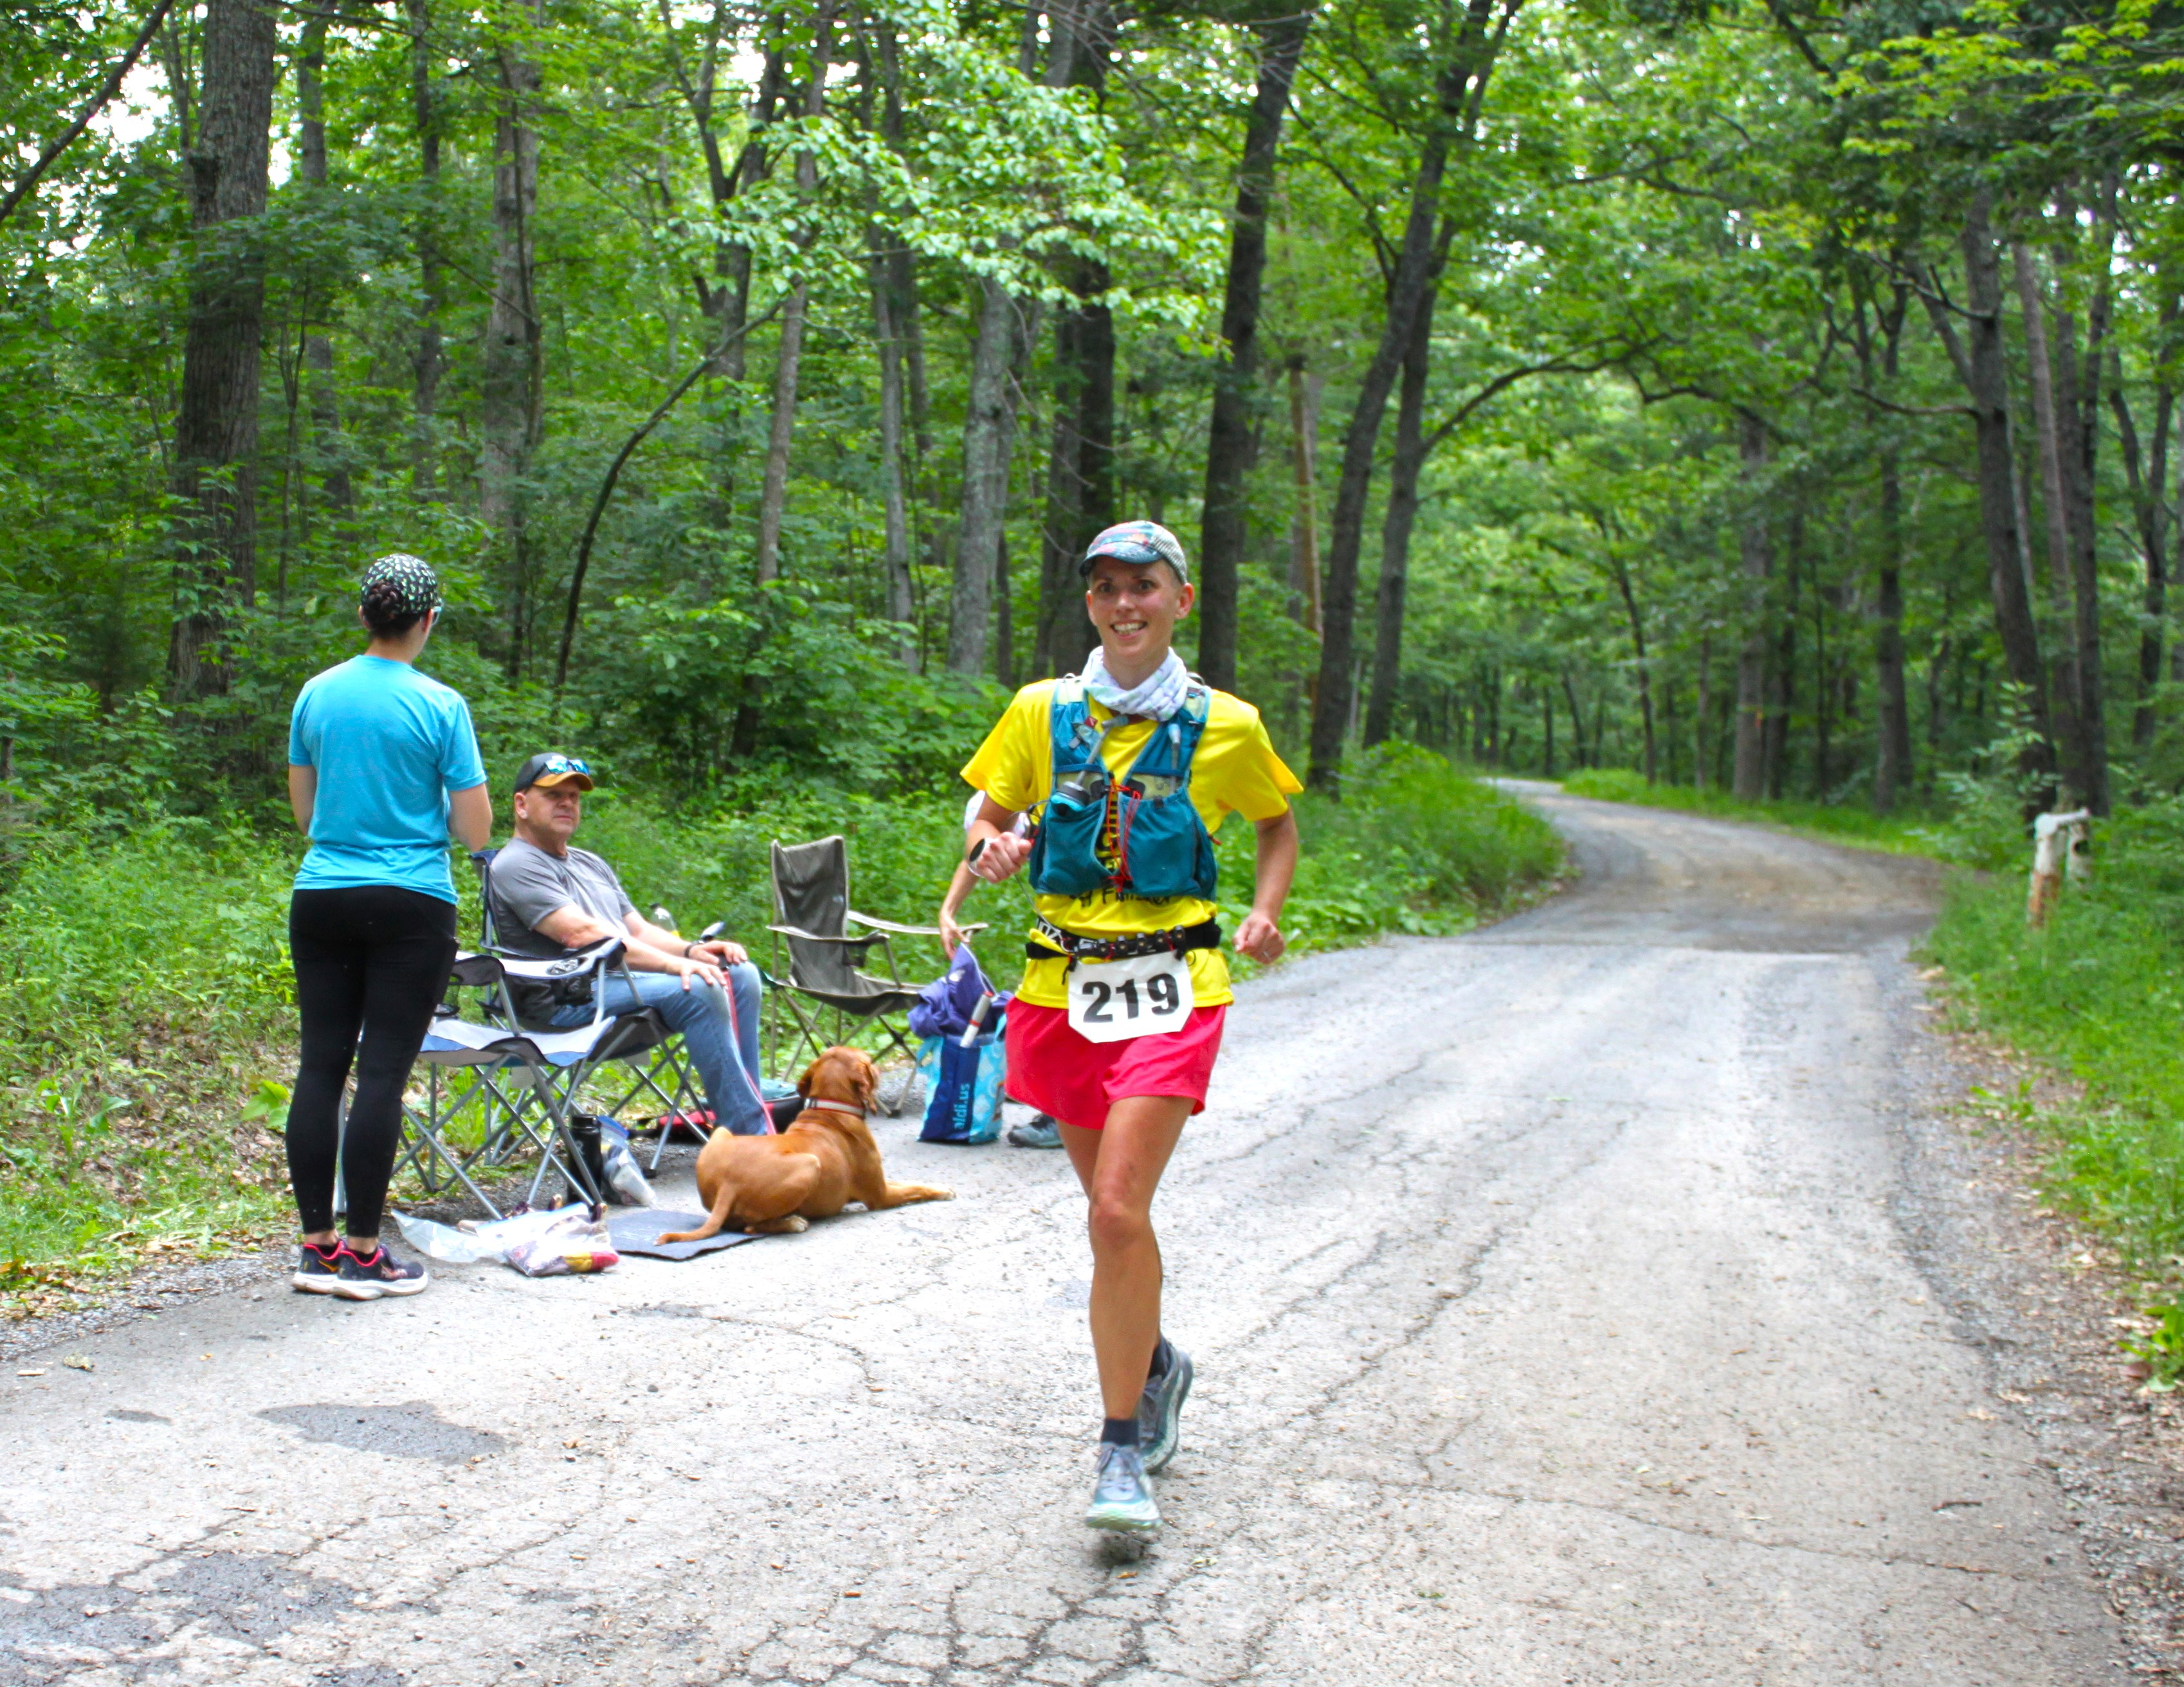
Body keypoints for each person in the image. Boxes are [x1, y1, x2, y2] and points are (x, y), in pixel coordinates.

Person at [961, 518, 1299, 1533]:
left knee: (1115, 1210)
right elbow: (985, 812)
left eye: (1144, 585)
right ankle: (1157, 1361)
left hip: (1175, 982)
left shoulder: (1226, 723)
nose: (1125, 603)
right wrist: (991, 849)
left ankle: (1119, 1449)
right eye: (1106, 587)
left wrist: (1266, 906)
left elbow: (1276, 820)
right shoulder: (1040, 709)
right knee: (1117, 1223)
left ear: (1179, 600)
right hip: (1062, 990)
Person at [286, 552, 491, 1302]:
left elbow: (306, 814)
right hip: (411, 902)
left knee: (320, 1066)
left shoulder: (316, 695)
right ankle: (366, 1257)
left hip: (323, 897)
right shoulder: (440, 705)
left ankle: (317, 1248)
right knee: (381, 1074)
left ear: (362, 616)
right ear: (428, 621)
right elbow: (475, 828)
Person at [487, 754, 772, 1138]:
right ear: (521, 804)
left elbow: (636, 930)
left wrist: (692, 952)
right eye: (554, 795)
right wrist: (676, 968)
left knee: (741, 974)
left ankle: (748, 1115)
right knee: (701, 987)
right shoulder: (515, 864)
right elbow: (582, 935)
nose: (567, 803)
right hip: (565, 1002)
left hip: (619, 986)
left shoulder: (590, 863)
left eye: (574, 796)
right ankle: (752, 1140)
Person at [937, 791, 1062, 1150]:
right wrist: (948, 911)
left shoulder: (1049, 789)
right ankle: (1063, 1110)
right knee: (1039, 1016)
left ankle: (1069, 1115)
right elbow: (978, 857)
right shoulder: (1011, 802)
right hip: (1060, 922)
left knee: (1057, 1017)